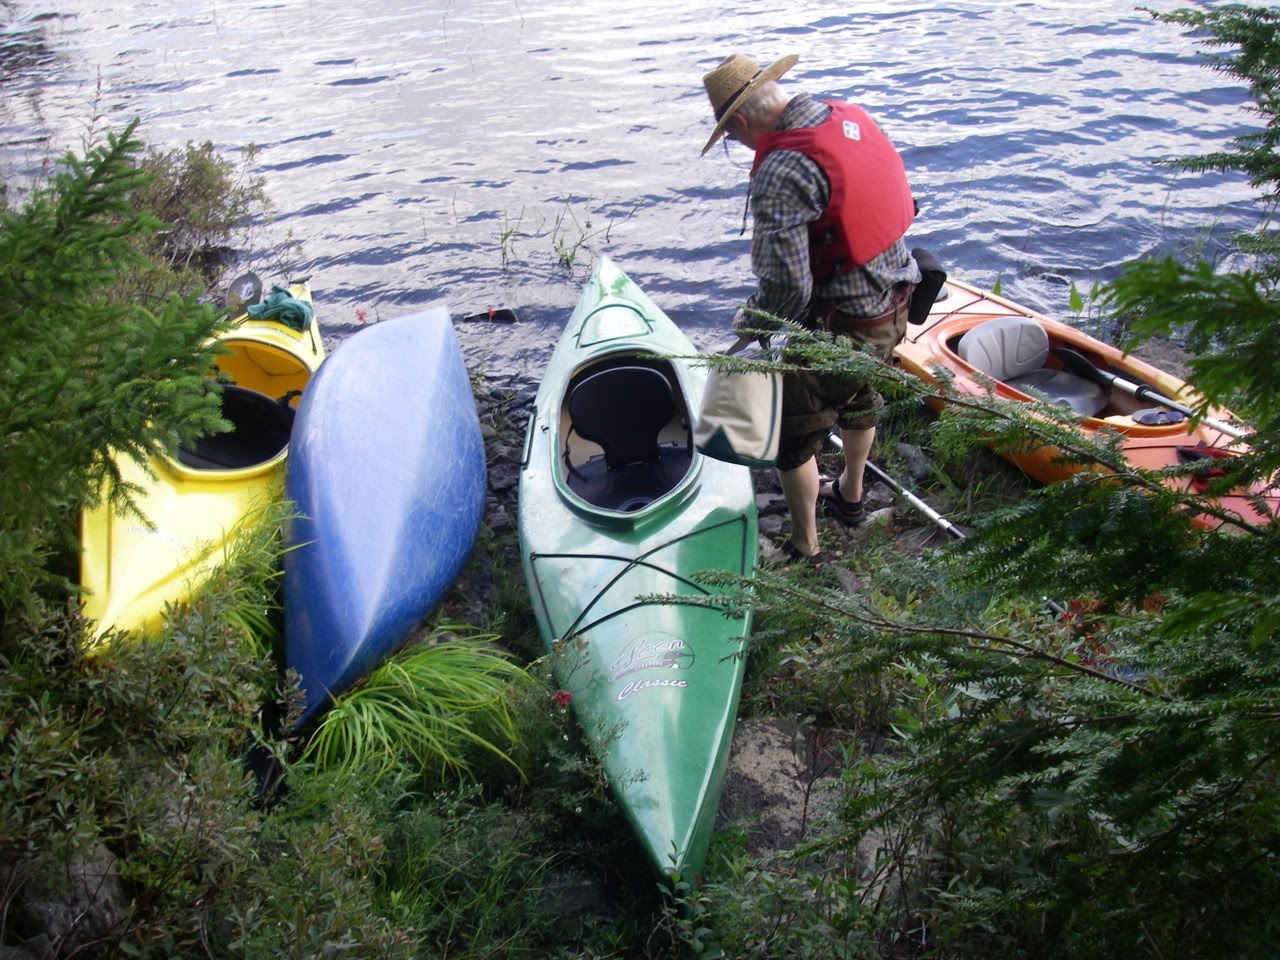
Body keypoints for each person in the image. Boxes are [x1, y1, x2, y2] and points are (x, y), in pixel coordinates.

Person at [700, 53, 920, 564]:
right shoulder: (846, 117)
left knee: (793, 437)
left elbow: (787, 293)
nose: (740, 145)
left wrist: (749, 321)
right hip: (895, 302)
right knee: (862, 400)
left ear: (738, 121)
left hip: (840, 325)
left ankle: (805, 547)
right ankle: (850, 495)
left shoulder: (782, 169)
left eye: (732, 138)